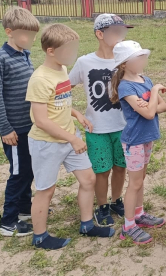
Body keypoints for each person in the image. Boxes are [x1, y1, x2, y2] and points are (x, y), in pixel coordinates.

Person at [26, 24, 115, 250]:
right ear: (50, 51)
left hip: (68, 137)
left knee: (88, 179)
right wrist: (73, 138)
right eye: (69, 50)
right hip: (47, 143)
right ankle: (40, 236)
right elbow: (41, 120)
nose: (73, 55)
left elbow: (59, 102)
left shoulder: (62, 69)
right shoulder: (40, 79)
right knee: (46, 190)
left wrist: (75, 114)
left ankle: (86, 225)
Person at [69, 14, 133, 227]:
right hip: (96, 129)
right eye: (115, 32)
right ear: (99, 34)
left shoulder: (125, 62)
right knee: (101, 170)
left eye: (122, 32)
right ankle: (102, 206)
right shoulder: (84, 62)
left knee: (120, 167)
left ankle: (116, 201)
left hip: (123, 126)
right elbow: (61, 92)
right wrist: (76, 113)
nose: (120, 36)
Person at [110, 40, 166, 244]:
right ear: (124, 64)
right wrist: (154, 94)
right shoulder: (126, 87)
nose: (144, 60)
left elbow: (163, 106)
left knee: (140, 179)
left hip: (147, 138)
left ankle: (139, 214)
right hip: (133, 141)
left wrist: (150, 103)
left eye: (144, 56)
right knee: (134, 183)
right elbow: (151, 112)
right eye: (138, 57)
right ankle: (128, 225)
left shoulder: (145, 79)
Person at [0, 7, 39, 237]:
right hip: (14, 130)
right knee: (18, 173)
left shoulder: (25, 55)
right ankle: (8, 222)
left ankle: (24, 209)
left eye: (33, 35)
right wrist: (5, 128)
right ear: (9, 32)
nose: (30, 39)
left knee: (29, 170)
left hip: (29, 127)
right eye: (26, 35)